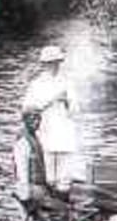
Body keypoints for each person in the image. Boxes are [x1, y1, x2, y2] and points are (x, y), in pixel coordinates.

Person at [22, 46, 80, 195]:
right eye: (50, 63)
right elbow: (27, 110)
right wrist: (51, 100)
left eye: (56, 62)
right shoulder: (36, 84)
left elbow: (76, 110)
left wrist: (67, 101)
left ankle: (64, 205)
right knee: (48, 176)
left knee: (65, 178)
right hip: (46, 132)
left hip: (65, 133)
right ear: (44, 64)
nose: (54, 66)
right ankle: (48, 205)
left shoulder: (67, 82)